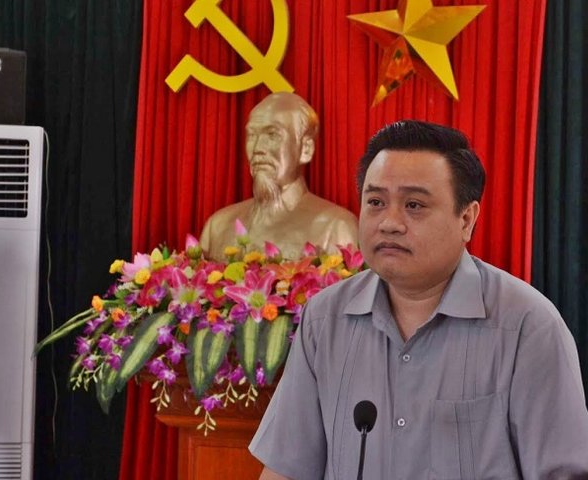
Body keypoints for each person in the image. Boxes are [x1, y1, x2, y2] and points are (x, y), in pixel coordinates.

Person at [249, 120, 588, 479]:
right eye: (376, 202)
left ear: (466, 219)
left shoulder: (526, 327)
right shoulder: (325, 319)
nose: (390, 223)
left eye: (414, 205)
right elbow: (285, 469)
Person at [199, 92, 358, 261]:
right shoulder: (217, 227)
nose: (257, 148)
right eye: (252, 135)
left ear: (306, 149)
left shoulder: (335, 227)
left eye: (272, 135)